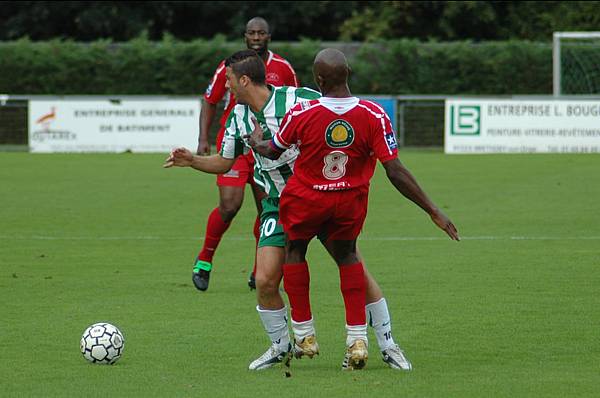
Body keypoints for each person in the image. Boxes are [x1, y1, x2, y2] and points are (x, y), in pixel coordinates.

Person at [165, 50, 414, 372]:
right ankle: (281, 346)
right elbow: (225, 162)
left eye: (228, 80)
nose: (225, 87)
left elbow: (337, 106)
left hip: (319, 198)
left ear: (243, 80)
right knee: (267, 280)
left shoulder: (299, 99)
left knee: (357, 273)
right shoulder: (237, 119)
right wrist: (193, 161)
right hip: (276, 204)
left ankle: (388, 345)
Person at [248, 48, 460, 370]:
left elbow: (273, 151)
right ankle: (357, 340)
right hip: (349, 201)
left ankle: (305, 334)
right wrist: (432, 209)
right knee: (348, 258)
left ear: (318, 79)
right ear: (348, 75)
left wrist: (256, 140)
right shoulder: (373, 114)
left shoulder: (302, 113)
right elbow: (395, 170)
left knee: (294, 250)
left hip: (306, 199)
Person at [193, 17, 298, 291]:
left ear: (269, 36)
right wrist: (203, 139)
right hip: (236, 144)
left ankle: (258, 269)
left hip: (270, 147)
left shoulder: (283, 67)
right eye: (251, 32)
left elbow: (295, 105)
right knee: (230, 205)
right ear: (245, 36)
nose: (255, 36)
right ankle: (204, 260)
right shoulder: (229, 68)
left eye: (261, 32)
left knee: (268, 208)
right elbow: (210, 99)